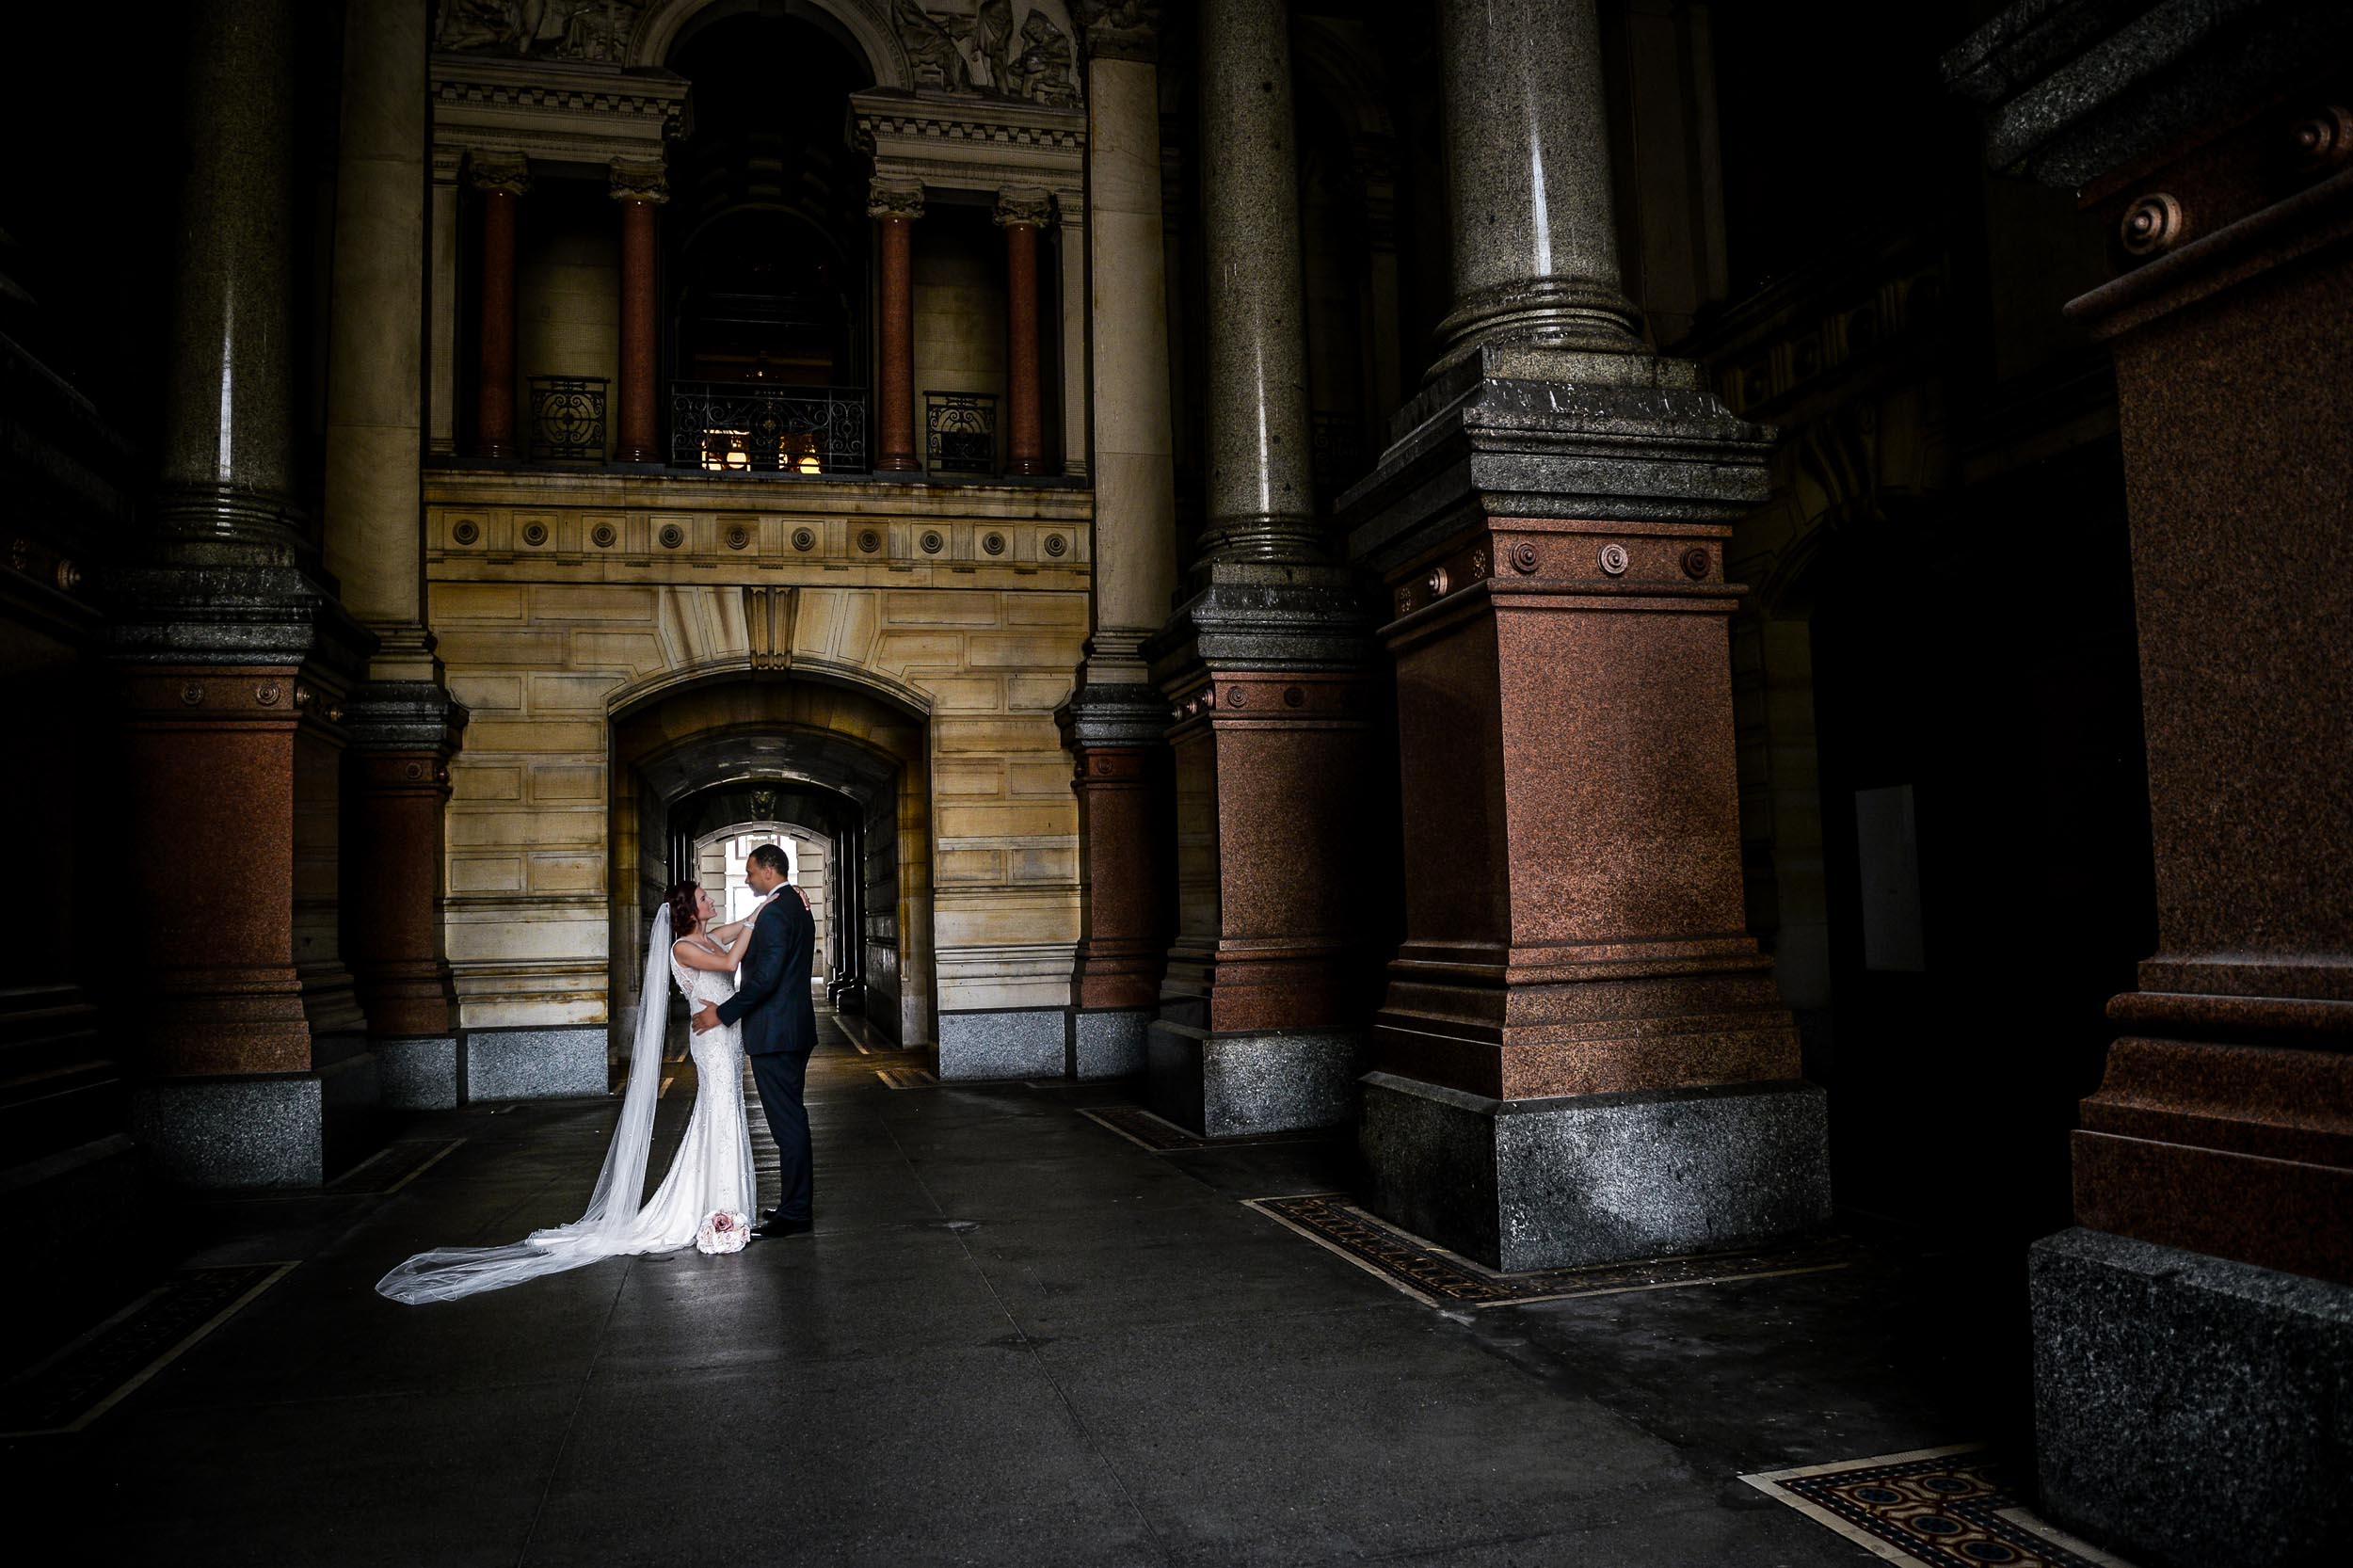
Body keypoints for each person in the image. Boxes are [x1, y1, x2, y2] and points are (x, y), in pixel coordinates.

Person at [374, 881, 767, 1304]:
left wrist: (771, 901)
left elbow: (743, 926)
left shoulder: (705, 936)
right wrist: (753, 919)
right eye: (705, 897)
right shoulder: (683, 949)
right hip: (712, 1042)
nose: (711, 900)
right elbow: (728, 963)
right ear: (690, 910)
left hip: (725, 1037)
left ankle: (719, 1200)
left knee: (724, 1111)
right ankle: (717, 1203)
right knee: (719, 1111)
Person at [692, 841, 818, 1240]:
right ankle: (791, 1205)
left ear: (768, 870)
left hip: (776, 1034)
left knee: (787, 1124)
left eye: (749, 871)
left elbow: (765, 979)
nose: (746, 878)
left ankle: (796, 1213)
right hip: (790, 1030)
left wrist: (722, 1013)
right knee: (790, 1120)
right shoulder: (792, 905)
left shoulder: (779, 911)